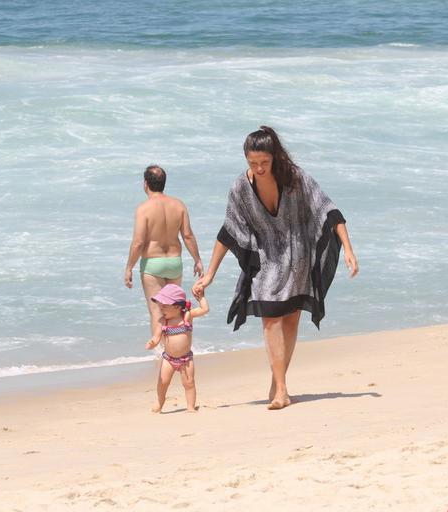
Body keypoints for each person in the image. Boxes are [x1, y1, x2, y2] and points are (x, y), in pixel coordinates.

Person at [193, 126, 358, 410]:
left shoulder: (295, 178)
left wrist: (349, 251)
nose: (258, 168)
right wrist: (209, 274)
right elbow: (228, 231)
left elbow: (328, 210)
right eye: (252, 163)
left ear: (275, 157)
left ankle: (278, 382)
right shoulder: (240, 188)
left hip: (297, 258)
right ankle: (281, 388)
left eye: (264, 163)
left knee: (291, 320)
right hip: (266, 260)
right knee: (270, 318)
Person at [125, 165, 204, 348]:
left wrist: (129, 267)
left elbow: (138, 242)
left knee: (157, 311)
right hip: (175, 263)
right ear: (163, 183)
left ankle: (162, 352)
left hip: (153, 264)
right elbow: (188, 235)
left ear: (145, 184)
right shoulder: (179, 205)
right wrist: (197, 260)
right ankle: (177, 347)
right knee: (174, 311)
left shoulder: (143, 209)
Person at [146, 283, 209, 413]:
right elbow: (157, 337)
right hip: (168, 359)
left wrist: (201, 297)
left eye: (164, 306)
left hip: (186, 359)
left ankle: (190, 407)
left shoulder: (187, 316)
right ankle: (159, 402)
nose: (161, 309)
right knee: (163, 383)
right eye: (160, 306)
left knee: (189, 383)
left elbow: (205, 309)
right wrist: (153, 342)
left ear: (177, 306)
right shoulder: (163, 321)